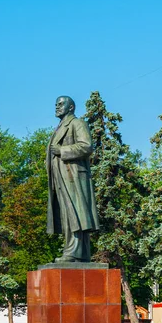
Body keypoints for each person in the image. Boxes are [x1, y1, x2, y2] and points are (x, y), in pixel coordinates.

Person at [46, 96, 100, 262]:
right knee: (67, 215)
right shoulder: (59, 127)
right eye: (56, 104)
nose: (57, 107)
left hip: (73, 175)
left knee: (75, 213)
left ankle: (74, 251)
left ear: (71, 107)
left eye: (61, 104)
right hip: (61, 176)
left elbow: (86, 146)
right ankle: (77, 252)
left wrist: (62, 150)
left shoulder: (77, 123)